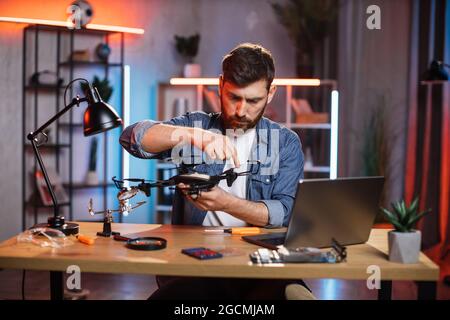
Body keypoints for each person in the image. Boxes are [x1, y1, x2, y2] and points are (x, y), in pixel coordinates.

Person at [120, 43, 310, 299]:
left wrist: (225, 203)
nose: (241, 111)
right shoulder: (197, 125)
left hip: (261, 263)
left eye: (253, 100)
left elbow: (284, 213)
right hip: (196, 264)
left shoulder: (286, 142)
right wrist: (193, 135)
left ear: (271, 92)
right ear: (221, 85)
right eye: (234, 97)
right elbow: (132, 138)